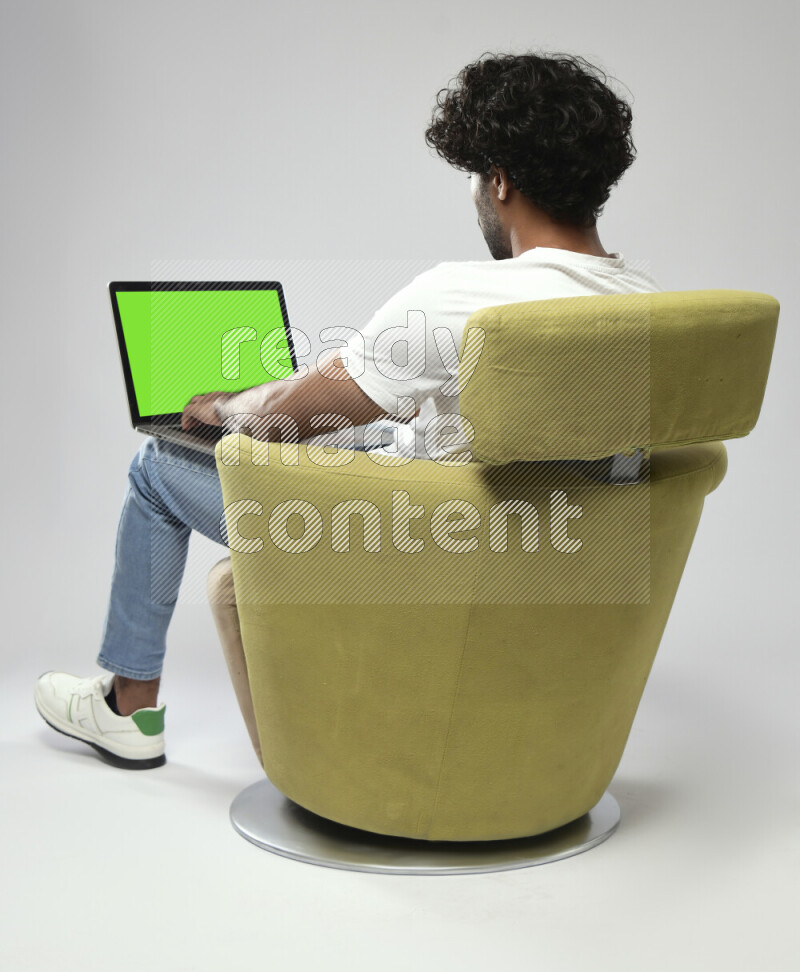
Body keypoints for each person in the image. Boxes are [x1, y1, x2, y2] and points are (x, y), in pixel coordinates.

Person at [34, 50, 662, 769]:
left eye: (476, 179)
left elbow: (287, 417)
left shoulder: (459, 296)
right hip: (537, 555)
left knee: (156, 469)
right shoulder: (648, 304)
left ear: (501, 179)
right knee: (374, 428)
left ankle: (126, 709)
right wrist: (372, 395)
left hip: (414, 549)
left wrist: (227, 406)